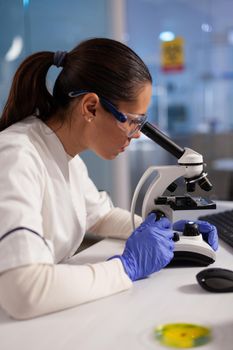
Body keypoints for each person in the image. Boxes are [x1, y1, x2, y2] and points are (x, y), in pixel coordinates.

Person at [0, 38, 218, 320]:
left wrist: (171, 236)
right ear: (90, 107)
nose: (137, 134)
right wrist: (126, 267)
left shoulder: (67, 157)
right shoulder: (17, 155)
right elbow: (24, 291)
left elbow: (99, 215)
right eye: (132, 121)